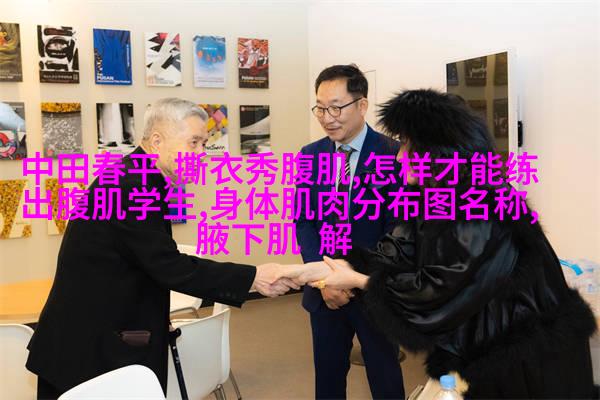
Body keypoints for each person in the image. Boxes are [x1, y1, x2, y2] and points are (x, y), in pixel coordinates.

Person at [308, 89, 598, 398]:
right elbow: (396, 250)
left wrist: (357, 280)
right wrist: (308, 272)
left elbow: (437, 292)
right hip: (492, 347)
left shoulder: (481, 205)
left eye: (407, 144)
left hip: (530, 356)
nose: (399, 156)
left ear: (436, 152)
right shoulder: (436, 196)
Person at [26, 98, 311, 399]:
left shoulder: (137, 177)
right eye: (194, 143)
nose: (201, 154)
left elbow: (147, 263)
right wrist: (254, 277)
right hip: (85, 350)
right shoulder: (129, 186)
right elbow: (169, 266)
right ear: (157, 141)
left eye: (204, 143)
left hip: (97, 336)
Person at [295, 64, 405, 399]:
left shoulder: (395, 155)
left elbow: (397, 229)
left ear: (362, 105)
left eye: (336, 107)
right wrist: (324, 279)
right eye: (320, 108)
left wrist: (356, 279)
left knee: (386, 378)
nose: (327, 118)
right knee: (328, 379)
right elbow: (305, 221)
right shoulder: (310, 156)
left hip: (373, 291)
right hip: (325, 293)